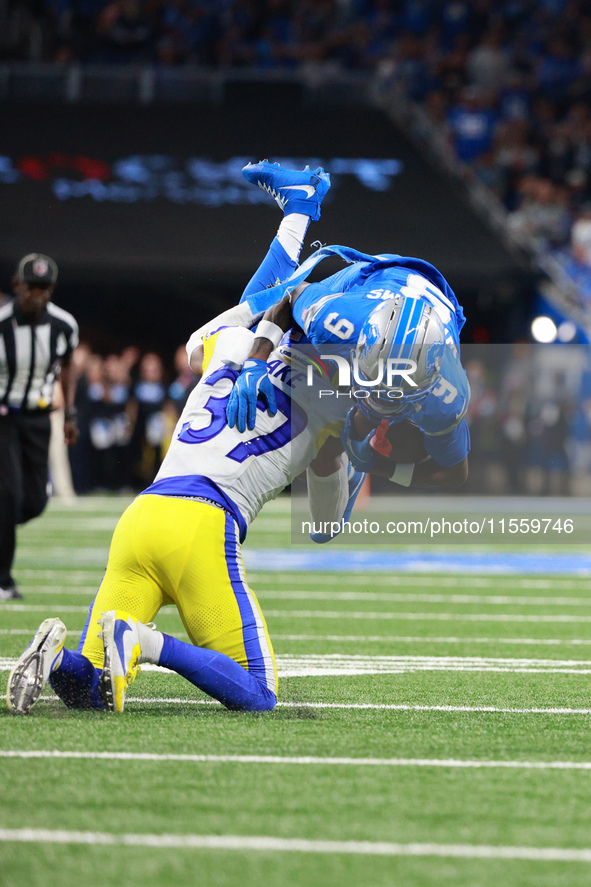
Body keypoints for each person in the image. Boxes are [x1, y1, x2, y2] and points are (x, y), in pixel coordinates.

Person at [0, 253, 79, 601]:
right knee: (9, 494)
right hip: (4, 418)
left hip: (39, 417)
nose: (38, 296)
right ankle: (3, 580)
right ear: (17, 286)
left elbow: (69, 364)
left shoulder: (63, 325)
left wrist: (71, 413)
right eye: (32, 287)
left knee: (33, 502)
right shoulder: (1, 324)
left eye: (45, 288)